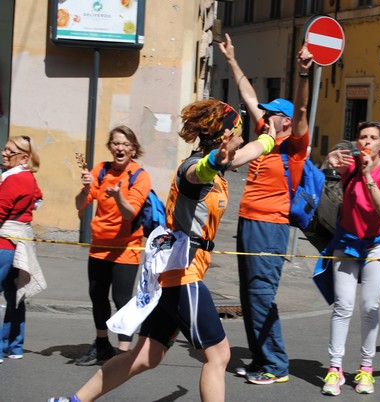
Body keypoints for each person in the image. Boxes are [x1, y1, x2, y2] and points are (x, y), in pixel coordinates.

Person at [48, 99, 278, 402]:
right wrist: (214, 162)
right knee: (219, 355)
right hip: (184, 272)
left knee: (146, 356)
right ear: (225, 137)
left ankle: (73, 401)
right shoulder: (196, 168)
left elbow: (247, 153)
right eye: (238, 132)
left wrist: (270, 137)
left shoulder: (222, 162)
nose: (242, 138)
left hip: (174, 270)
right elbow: (198, 173)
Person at [219, 34, 313, 384]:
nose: (266, 114)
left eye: (273, 113)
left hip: (270, 225)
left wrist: (304, 75)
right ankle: (260, 359)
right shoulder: (265, 135)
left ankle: (276, 365)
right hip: (248, 222)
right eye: (268, 112)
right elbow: (248, 95)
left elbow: (302, 110)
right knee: (249, 295)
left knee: (261, 295)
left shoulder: (294, 144)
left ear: (285, 121)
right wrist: (231, 59)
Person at [313, 122, 380, 396]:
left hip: (376, 243)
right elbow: (321, 176)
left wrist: (367, 175)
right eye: (363, 137)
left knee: (370, 306)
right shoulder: (350, 166)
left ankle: (366, 368)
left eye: (373, 138)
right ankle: (335, 368)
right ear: (357, 142)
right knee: (343, 306)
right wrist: (330, 160)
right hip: (348, 241)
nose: (368, 142)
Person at [74, 126, 152, 365]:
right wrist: (87, 188)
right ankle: (101, 345)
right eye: (116, 143)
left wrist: (118, 196)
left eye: (126, 144)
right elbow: (80, 205)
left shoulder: (139, 176)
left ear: (133, 149)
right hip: (99, 245)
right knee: (97, 296)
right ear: (111, 146)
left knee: (122, 300)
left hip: (126, 248)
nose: (120, 148)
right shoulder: (100, 170)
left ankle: (123, 353)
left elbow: (129, 214)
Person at [0, 135, 44, 362]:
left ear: (24, 157)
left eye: (10, 151)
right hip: (19, 243)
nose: (4, 153)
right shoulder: (28, 178)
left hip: (5, 244)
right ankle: (14, 346)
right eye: (5, 149)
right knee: (14, 295)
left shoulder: (14, 180)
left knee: (10, 295)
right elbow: (38, 199)